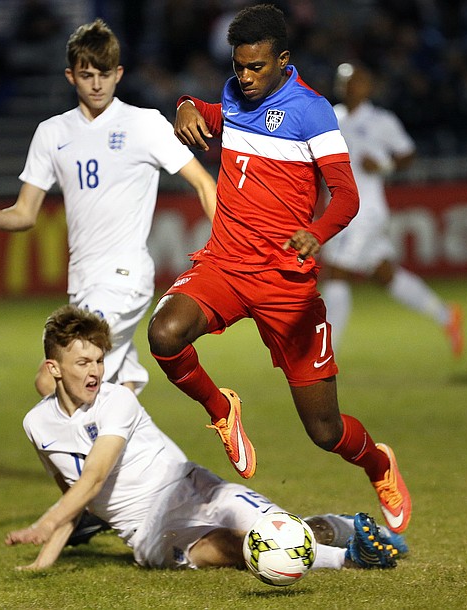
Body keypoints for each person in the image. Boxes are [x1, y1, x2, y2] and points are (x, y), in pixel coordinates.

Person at [147, 5, 411, 534]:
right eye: (238, 66)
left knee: (324, 429)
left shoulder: (312, 112)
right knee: (164, 334)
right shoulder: (233, 91)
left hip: (285, 285)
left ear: (283, 59)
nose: (244, 78)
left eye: (256, 68)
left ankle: (378, 465)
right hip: (225, 264)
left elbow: (347, 195)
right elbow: (207, 109)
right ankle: (222, 408)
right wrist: (182, 105)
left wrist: (317, 231)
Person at [4, 304, 406, 571]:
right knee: (239, 547)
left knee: (278, 531)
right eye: (82, 362)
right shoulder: (36, 425)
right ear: (53, 369)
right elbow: (73, 496)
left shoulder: (117, 401)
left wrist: (44, 523)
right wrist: (43, 560)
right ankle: (352, 558)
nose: (94, 372)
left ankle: (346, 528)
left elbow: (92, 479)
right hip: (148, 533)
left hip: (191, 488)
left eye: (99, 360)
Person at [0, 19, 216, 397]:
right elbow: (26, 212)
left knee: (54, 383)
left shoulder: (143, 124)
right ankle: (162, 460)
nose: (96, 83)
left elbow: (203, 182)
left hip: (124, 278)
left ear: (119, 74)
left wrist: (229, 243)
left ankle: (92, 457)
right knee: (118, 392)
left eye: (104, 73)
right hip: (82, 282)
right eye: (86, 74)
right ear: (70, 76)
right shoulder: (52, 133)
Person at [319, 62, 464, 356]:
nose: (347, 86)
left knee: (336, 273)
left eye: (355, 81)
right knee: (385, 274)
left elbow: (408, 154)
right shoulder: (329, 117)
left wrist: (383, 165)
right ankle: (447, 315)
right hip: (338, 210)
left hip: (364, 212)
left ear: (367, 87)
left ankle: (325, 354)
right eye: (343, 81)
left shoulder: (381, 121)